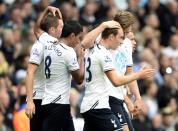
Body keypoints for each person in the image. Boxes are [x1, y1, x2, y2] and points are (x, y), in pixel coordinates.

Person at [80, 25, 155, 131]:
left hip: (89, 105)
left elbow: (84, 42)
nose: (122, 42)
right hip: (97, 106)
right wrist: (139, 75)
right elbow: (116, 81)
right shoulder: (104, 54)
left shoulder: (91, 48)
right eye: (121, 38)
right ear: (111, 37)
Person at [25, 6, 63, 131]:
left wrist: (47, 10)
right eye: (60, 27)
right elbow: (30, 72)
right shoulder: (40, 44)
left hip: (52, 98)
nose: (62, 30)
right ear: (52, 29)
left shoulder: (56, 44)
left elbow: (36, 28)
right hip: (38, 98)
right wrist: (30, 100)